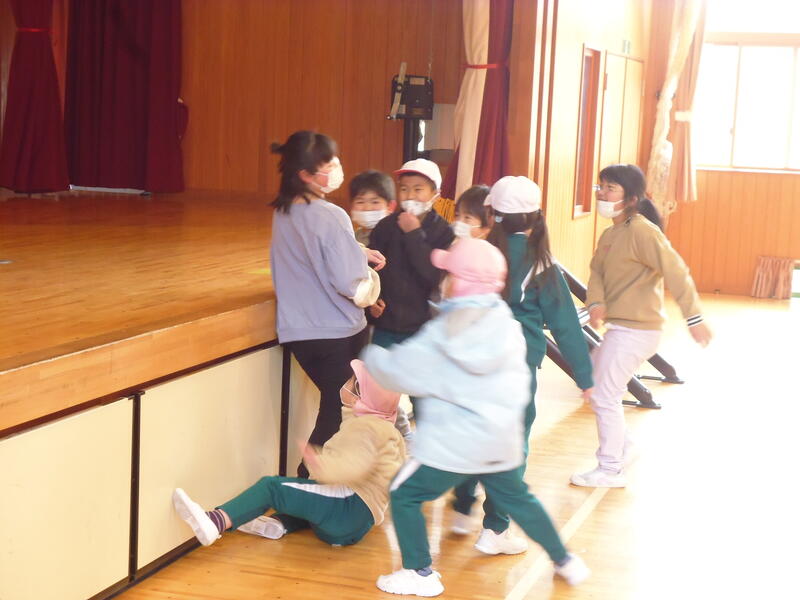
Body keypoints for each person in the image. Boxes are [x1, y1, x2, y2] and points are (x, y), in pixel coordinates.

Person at [362, 239, 590, 597]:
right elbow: (519, 383)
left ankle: (419, 572)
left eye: (449, 274)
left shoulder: (444, 330)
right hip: (499, 439)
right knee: (519, 500)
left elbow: (403, 372)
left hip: (452, 445)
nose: (444, 281)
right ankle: (566, 560)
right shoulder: (508, 325)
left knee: (404, 494)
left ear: (461, 282)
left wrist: (374, 355)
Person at [451, 176, 593, 553]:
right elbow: (565, 325)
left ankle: (462, 505)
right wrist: (585, 377)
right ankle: (495, 529)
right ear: (536, 216)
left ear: (492, 215)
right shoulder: (541, 262)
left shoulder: (476, 254)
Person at [572, 164, 712, 488]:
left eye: (611, 188)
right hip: (621, 328)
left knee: (603, 395)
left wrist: (694, 317)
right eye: (601, 186)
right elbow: (596, 272)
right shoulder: (610, 234)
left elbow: (677, 271)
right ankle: (624, 446)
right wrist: (596, 302)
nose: (602, 193)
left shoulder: (643, 231)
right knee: (594, 384)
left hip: (637, 330)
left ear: (632, 198)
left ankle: (610, 469)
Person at [173, 360, 405, 548]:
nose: (344, 384)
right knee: (307, 493)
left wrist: (322, 466)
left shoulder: (366, 427)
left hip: (346, 509)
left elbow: (354, 464)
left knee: (271, 487)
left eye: (351, 381)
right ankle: (279, 524)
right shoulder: (386, 428)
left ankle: (216, 521)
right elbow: (395, 471)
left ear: (359, 396)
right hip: (358, 525)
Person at [269, 131, 384, 478]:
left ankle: (318, 482)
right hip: (337, 331)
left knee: (337, 407)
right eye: (328, 164)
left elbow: (315, 251)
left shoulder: (285, 212)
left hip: (300, 332)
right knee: (340, 412)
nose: (335, 168)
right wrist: (371, 283)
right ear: (305, 174)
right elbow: (350, 282)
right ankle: (304, 483)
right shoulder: (331, 215)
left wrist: (357, 250)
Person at [367, 158, 455, 350]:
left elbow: (435, 277)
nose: (410, 196)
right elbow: (371, 270)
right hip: (385, 325)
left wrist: (413, 234)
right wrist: (372, 299)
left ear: (436, 195)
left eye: (418, 189)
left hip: (424, 329)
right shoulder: (385, 226)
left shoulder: (444, 232)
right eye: (404, 189)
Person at [349, 170, 396, 246]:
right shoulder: (352, 237)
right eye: (360, 202)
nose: (367, 208)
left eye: (375, 202)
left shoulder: (394, 238)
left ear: (390, 207)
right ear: (351, 206)